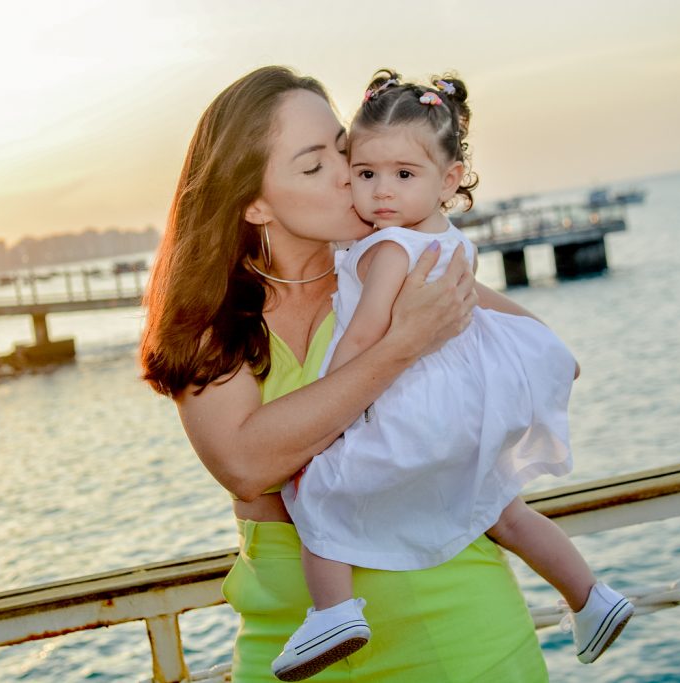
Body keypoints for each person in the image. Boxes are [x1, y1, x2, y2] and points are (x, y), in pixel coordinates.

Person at [141, 66, 549, 682]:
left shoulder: (395, 269)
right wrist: (401, 347)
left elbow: (540, 353)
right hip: (292, 643)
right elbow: (247, 464)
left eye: (341, 147)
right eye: (312, 167)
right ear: (253, 202)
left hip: (458, 630)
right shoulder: (210, 322)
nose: (351, 174)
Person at [271, 70, 633, 680]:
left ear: (450, 179)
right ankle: (591, 599)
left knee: (318, 490)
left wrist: (327, 410)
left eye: (403, 175)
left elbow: (363, 335)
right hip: (468, 412)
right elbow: (491, 317)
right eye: (366, 174)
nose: (382, 193)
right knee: (505, 512)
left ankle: (333, 612)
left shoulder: (389, 249)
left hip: (416, 405)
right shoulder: (449, 238)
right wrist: (548, 353)